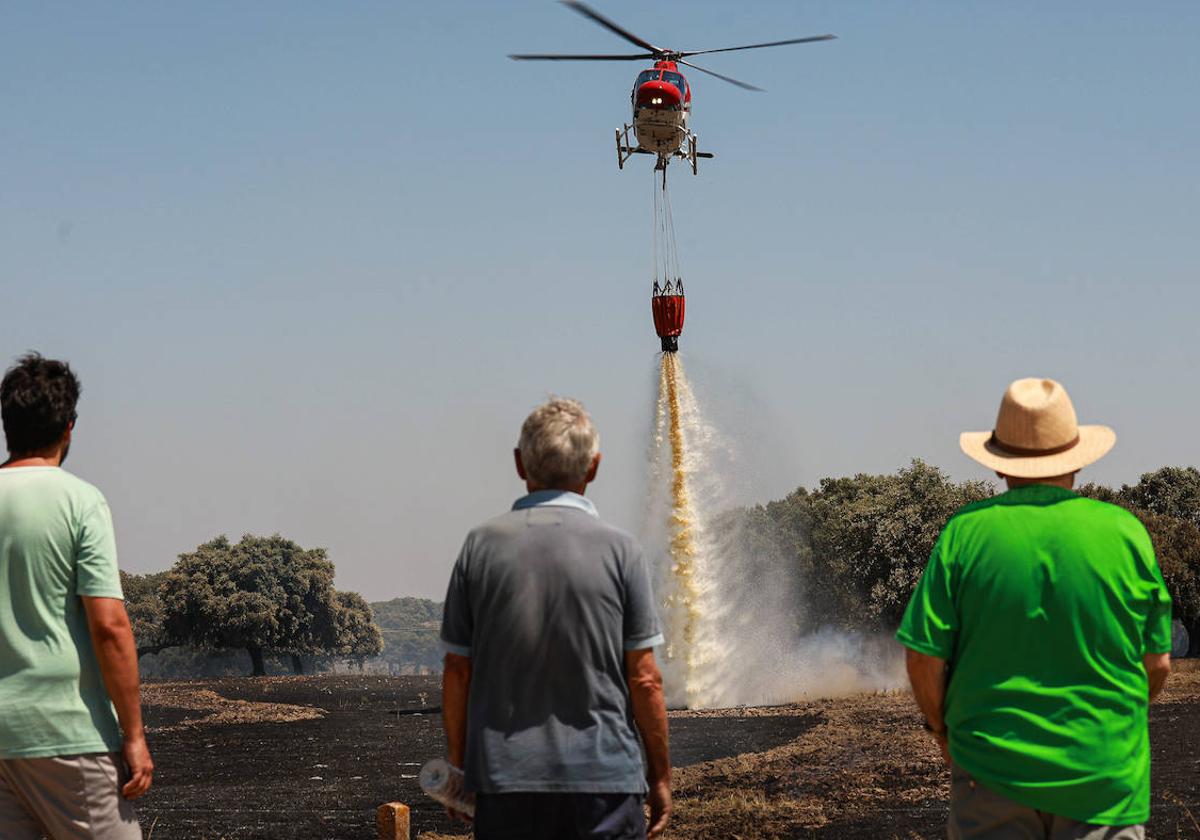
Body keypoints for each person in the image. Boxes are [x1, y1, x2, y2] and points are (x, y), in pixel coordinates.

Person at [898, 378, 1173, 840]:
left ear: (1001, 467)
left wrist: (942, 732)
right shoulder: (1126, 535)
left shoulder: (964, 535)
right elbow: (1158, 663)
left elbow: (924, 657)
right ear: (1077, 460)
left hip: (990, 777)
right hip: (1104, 785)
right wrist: (1111, 724)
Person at [440, 397, 671, 840]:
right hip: (606, 784)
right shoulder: (623, 550)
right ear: (594, 466)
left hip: (506, 785)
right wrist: (659, 776)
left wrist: (459, 764)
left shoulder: (480, 546)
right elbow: (644, 679)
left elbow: (457, 668)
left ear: (518, 463)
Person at [0, 354, 152, 839]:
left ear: (7, 424)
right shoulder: (80, 501)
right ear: (69, 428)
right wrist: (134, 736)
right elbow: (108, 625)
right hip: (66, 729)